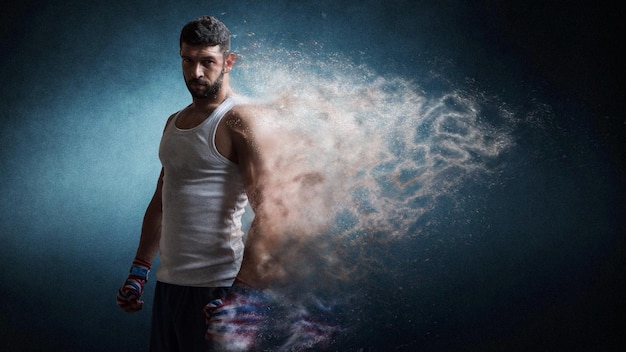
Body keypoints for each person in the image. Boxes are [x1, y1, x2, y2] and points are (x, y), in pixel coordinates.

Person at [116, 16, 284, 351]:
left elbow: (272, 211)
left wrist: (241, 297)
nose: (195, 73)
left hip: (217, 292)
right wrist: (139, 271)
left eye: (207, 61)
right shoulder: (173, 122)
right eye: (188, 60)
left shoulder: (242, 119)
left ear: (228, 62)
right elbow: (162, 200)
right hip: (170, 286)